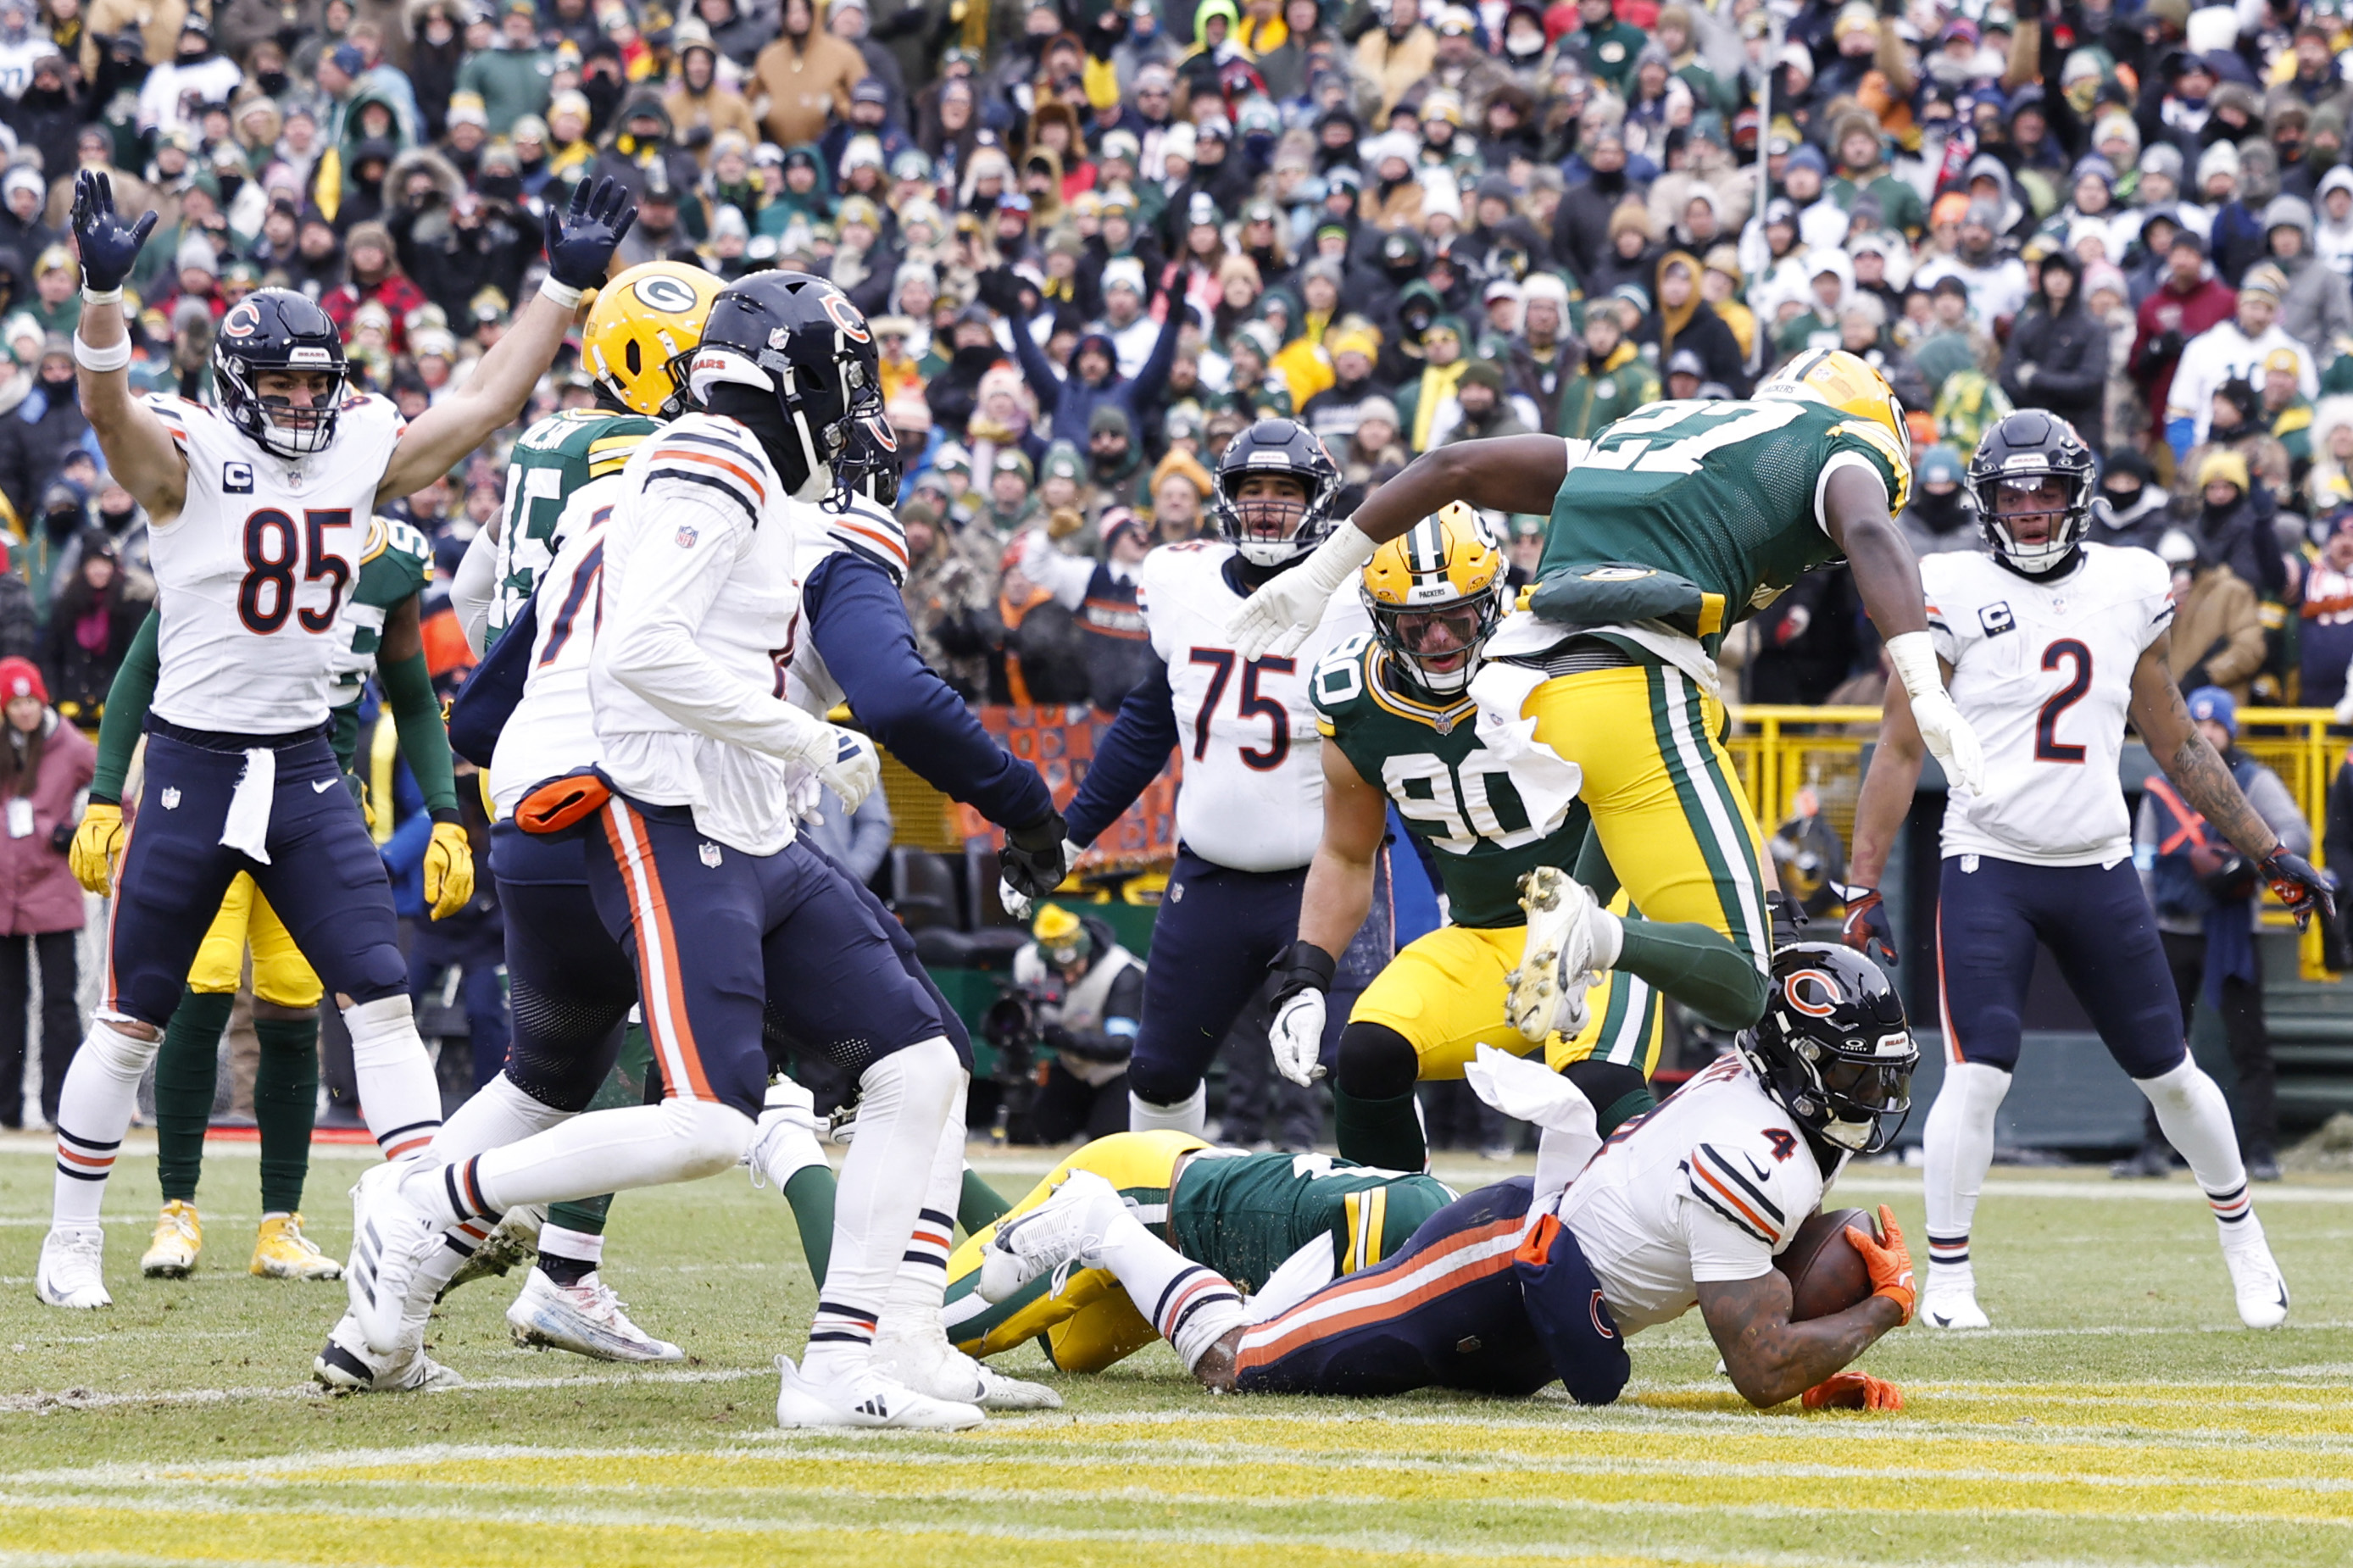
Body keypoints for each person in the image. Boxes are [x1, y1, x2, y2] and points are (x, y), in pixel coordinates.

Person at [346, 272, 996, 1432]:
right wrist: (804, 730)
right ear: (785, 380)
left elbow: (509, 628)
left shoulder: (633, 471)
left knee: (920, 1061)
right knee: (714, 1115)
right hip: (653, 803)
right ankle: (441, 1199)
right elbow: (644, 649)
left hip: (653, 804)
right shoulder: (717, 460)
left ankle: (858, 1356)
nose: (852, 417)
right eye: (841, 388)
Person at [36, 172, 632, 1311]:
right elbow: (108, 415)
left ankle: (411, 1224)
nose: (307, 400)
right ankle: (71, 1235)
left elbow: (481, 406)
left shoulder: (359, 444)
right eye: (284, 382)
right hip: (197, 765)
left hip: (308, 766)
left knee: (380, 992)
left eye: (320, 380)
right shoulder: (188, 453)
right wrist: (103, 301)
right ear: (234, 384)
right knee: (133, 1009)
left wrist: (560, 286)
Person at [1227, 348, 1980, 1059]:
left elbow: (1451, 464)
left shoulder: (1655, 430)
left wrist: (1321, 573)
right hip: (1634, 681)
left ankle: (1577, 913)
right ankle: (1598, 936)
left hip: (1525, 687)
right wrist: (1923, 684)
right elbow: (1870, 530)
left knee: (1656, 805)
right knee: (1751, 975)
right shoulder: (1838, 440)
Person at [1842, 411, 2324, 1334]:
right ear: (1987, 503)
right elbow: (1900, 746)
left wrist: (2266, 851)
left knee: (2172, 1074)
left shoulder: (2128, 582)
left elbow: (2174, 735)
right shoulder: (1943, 584)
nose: (2028, 510)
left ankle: (2245, 1244)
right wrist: (1863, 883)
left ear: (2078, 494)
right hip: (1989, 861)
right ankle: (1947, 1278)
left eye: (2045, 492)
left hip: (2097, 863)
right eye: (2011, 494)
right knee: (1977, 1072)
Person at [976, 944, 1917, 1414]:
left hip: (1537, 1304)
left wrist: (1817, 1360)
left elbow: (1747, 1298)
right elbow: (1756, 1363)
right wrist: (1873, 1311)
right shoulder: (1752, 1146)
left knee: (1309, 1348)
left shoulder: (1767, 1113)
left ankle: (1218, 1278)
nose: (1870, 1092)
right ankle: (1102, 1223)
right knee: (1246, 1366)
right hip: (1496, 1263)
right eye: (1853, 1070)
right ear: (1795, 1061)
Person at [86, 509, 452, 1287]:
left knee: (293, 1007)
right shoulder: (236, 532)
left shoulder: (391, 563)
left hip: (314, 815)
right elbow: (140, 669)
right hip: (209, 792)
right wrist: (103, 791)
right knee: (195, 993)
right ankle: (175, 1207)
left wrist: (448, 812)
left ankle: (280, 1222)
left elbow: (415, 698)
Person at [1266, 504, 1661, 1173]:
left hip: (1601, 924)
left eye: (1459, 615)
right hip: (1481, 936)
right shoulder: (1352, 697)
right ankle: (1396, 1248)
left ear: (1496, 601)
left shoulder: (1563, 665)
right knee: (1367, 1055)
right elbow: (1347, 851)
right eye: (1416, 624)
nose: (1441, 639)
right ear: (1379, 620)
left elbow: (1674, 786)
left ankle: (1652, 1259)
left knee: (1603, 1092)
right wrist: (1305, 976)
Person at [1054, 419, 1381, 1137]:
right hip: (1209, 879)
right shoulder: (1182, 579)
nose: (1267, 507)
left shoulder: (1362, 595)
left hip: (1322, 879)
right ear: (1227, 500)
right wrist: (1071, 834)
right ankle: (1162, 1219)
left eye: (1285, 491)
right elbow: (1147, 723)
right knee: (1161, 1072)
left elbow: (1398, 743)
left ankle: (1396, 1229)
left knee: (1368, 1059)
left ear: (1319, 500)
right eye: (1252, 490)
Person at [942, 1128, 1455, 1372]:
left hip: (1194, 1243)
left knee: (1066, 1348)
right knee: (942, 1332)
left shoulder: (1450, 1224)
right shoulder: (1403, 1223)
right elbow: (1251, 1348)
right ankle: (930, 1137)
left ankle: (947, 1165)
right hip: (1146, 1193)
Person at [2124, 687, 2306, 1184]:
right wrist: (2145, 919)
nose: (2206, 734)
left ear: (2229, 730)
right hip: (2174, 926)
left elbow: (2298, 834)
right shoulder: (2163, 787)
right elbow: (2141, 859)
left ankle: (2263, 1148)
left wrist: (2242, 862)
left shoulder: (2253, 780)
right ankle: (2152, 1148)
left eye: (2216, 726)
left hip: (2231, 926)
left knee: (2250, 1044)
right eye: (2198, 726)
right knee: (2160, 1043)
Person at [0, 658, 92, 1132]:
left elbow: (117, 793)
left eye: (30, 701)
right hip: (3, 895)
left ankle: (63, 1106)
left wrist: (74, 832)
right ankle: (6, 1107)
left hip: (53, 888)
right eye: (15, 704)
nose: (24, 712)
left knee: (59, 1003)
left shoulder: (70, 745)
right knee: (6, 1003)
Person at [1010, 904, 1141, 1145]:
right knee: (1034, 1133)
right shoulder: (1028, 960)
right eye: (1060, 971)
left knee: (1108, 1139)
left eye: (1073, 968)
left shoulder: (1119, 971)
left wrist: (1061, 1038)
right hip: (1072, 1067)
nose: (1068, 977)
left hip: (1116, 1072)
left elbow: (1121, 1045)